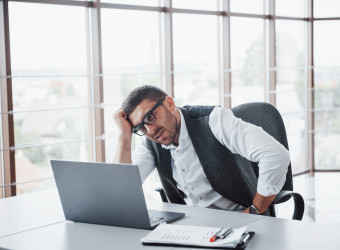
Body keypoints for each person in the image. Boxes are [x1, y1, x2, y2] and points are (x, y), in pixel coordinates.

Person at [113, 85, 290, 215]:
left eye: (150, 117)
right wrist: (125, 135)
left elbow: (275, 155)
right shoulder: (149, 142)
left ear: (169, 104)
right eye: (140, 128)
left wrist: (255, 209)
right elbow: (121, 190)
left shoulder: (214, 120)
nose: (149, 130)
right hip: (191, 227)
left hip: (239, 219)